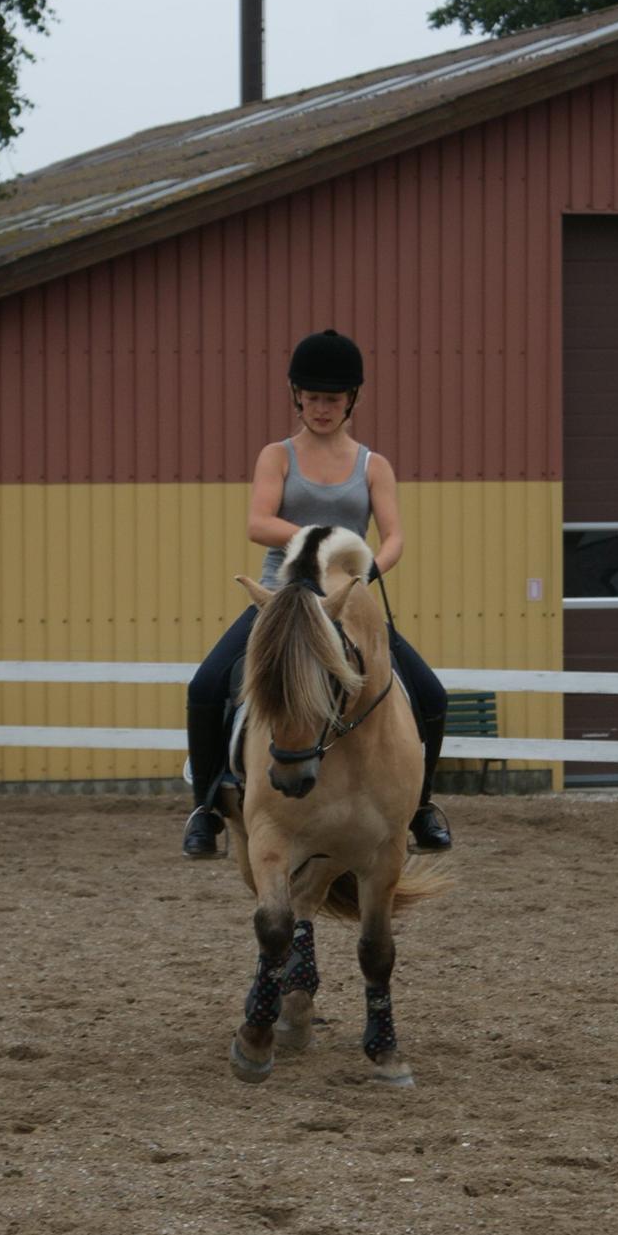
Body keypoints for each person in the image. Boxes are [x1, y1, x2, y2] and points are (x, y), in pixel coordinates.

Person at [182, 328, 451, 859]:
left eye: (332, 398)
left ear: (352, 400)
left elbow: (394, 537)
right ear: (296, 396)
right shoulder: (276, 456)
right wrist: (325, 540)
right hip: (283, 600)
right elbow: (259, 524)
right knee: (206, 685)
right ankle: (206, 805)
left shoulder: (373, 466)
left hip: (349, 604)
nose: (322, 408)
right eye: (312, 397)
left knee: (432, 694)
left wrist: (365, 571)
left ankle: (420, 803)